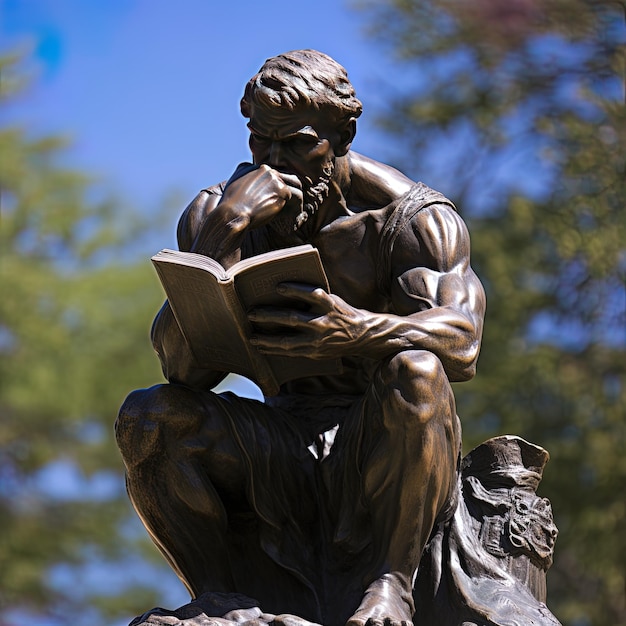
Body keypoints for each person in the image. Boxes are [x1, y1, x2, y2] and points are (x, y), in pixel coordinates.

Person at [116, 49, 486, 626]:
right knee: (149, 416)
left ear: (343, 135)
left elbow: (462, 340)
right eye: (260, 141)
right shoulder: (220, 212)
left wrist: (358, 331)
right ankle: (218, 596)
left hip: (377, 443)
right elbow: (181, 368)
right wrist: (223, 235)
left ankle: (390, 586)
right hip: (279, 441)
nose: (275, 163)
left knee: (417, 372)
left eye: (297, 143)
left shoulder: (410, 218)